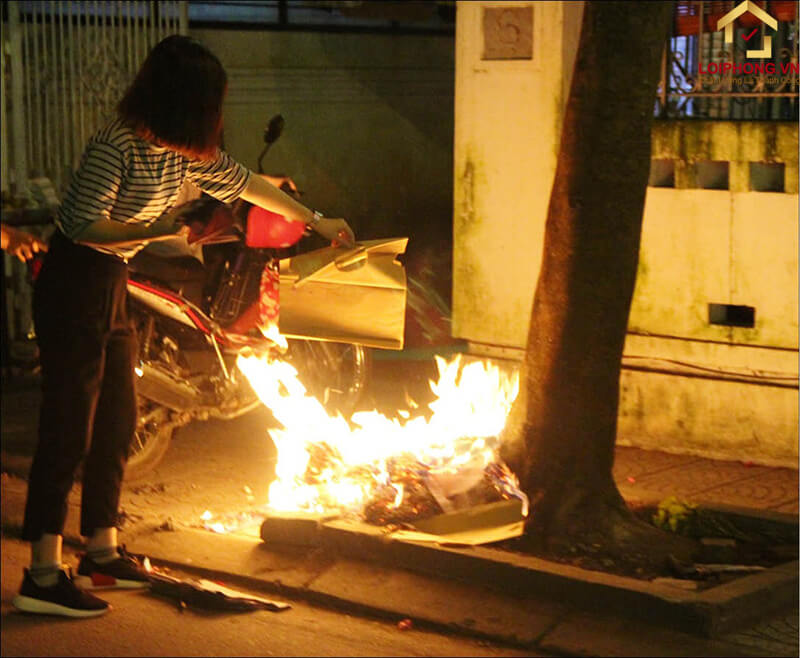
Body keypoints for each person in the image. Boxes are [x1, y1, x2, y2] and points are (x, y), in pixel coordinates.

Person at [12, 34, 355, 618]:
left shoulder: (179, 151)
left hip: (112, 279)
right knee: (68, 427)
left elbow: (244, 183)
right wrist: (160, 230)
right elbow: (81, 225)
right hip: (75, 280)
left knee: (118, 418)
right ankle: (42, 575)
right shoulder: (116, 144)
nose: (216, 116)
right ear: (183, 100)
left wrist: (317, 220)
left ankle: (101, 552)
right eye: (211, 102)